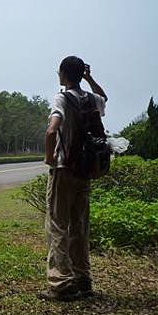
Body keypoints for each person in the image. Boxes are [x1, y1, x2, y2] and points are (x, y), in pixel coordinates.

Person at [39, 56, 108, 301]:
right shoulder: (91, 98)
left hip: (63, 169)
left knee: (57, 225)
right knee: (79, 226)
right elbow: (104, 98)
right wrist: (89, 78)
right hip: (85, 170)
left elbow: (51, 130)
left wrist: (49, 157)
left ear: (63, 74)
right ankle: (83, 280)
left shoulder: (62, 98)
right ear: (81, 74)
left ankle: (61, 283)